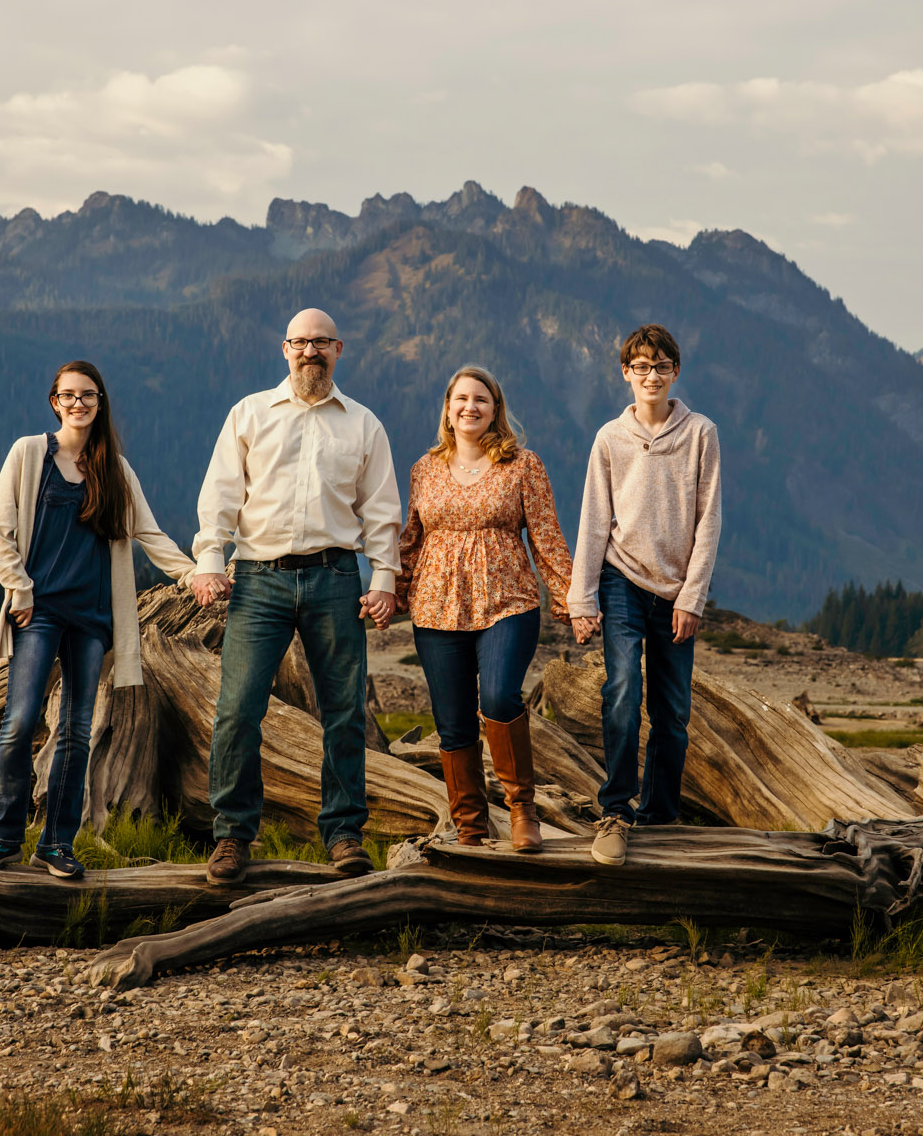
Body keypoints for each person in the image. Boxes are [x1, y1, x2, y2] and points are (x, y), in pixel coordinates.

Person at [191, 309, 402, 886]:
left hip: (336, 578)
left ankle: (343, 835)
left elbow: (382, 512)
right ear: (285, 348)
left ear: (340, 348)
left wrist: (384, 579)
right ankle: (233, 835)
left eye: (322, 343)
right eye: (301, 342)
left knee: (344, 712)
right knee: (237, 709)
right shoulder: (251, 413)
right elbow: (219, 496)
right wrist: (210, 562)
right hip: (257, 579)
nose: (311, 352)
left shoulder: (363, 425)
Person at [0, 360, 197, 878]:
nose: (78, 404)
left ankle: (56, 845)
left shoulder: (115, 468)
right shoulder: (30, 453)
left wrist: (194, 576)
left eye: (87, 395)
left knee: (76, 732)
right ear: (54, 401)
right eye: (68, 395)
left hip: (92, 619)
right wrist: (18, 588)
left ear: (99, 402)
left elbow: (150, 535)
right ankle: (1, 838)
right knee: (20, 722)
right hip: (39, 611)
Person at [396, 366, 573, 852]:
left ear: (496, 411)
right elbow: (410, 540)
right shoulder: (424, 468)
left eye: (482, 400)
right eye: (461, 399)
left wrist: (570, 598)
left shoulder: (522, 465)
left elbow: (546, 535)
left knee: (497, 698)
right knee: (451, 719)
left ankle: (522, 811)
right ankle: (471, 827)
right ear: (447, 409)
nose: (470, 407)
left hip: (507, 601)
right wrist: (391, 590)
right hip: (435, 607)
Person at [568, 324, 723, 866]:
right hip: (622, 579)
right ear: (625, 374)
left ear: (675, 372)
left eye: (660, 366)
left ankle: (659, 816)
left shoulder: (701, 432)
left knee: (673, 712)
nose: (650, 376)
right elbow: (593, 519)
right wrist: (581, 598)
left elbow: (709, 521)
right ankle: (615, 809)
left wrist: (692, 598)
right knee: (623, 691)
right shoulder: (610, 438)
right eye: (640, 367)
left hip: (676, 588)